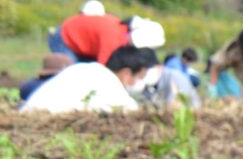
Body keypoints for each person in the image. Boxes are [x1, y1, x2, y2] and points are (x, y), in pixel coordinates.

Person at [22, 45, 158, 113]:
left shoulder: (86, 69)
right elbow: (130, 110)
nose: (140, 83)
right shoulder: (108, 83)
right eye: (140, 77)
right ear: (126, 74)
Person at [52, 11, 165, 63]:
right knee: (71, 75)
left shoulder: (122, 31)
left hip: (79, 39)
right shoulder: (113, 40)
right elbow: (102, 71)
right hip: (64, 38)